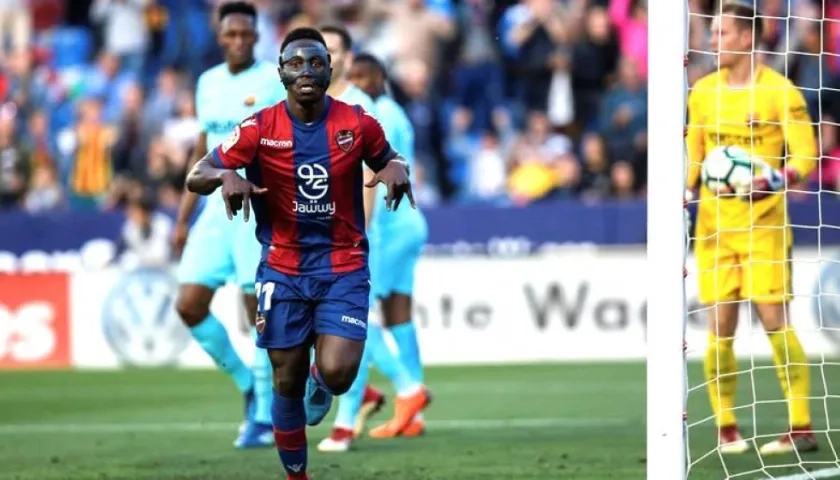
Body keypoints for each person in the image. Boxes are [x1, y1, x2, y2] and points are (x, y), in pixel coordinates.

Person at [185, 27, 425, 480]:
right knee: (285, 380)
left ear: (330, 69)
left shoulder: (357, 122)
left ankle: (324, 382)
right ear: (281, 74)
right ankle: (297, 475)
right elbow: (199, 171)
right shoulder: (259, 127)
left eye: (316, 62)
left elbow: (391, 158)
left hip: (343, 265)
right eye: (295, 64)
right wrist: (224, 178)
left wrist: (395, 170)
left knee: (336, 374)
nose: (307, 72)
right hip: (282, 266)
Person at [686, 1, 818, 456]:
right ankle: (726, 428)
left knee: (773, 319)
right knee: (719, 325)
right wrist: (681, 192)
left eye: (722, 33)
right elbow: (695, 155)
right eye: (713, 32)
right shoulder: (702, 92)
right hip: (715, 226)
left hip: (764, 225)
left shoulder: (781, 92)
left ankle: (800, 423)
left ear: (747, 38)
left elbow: (806, 155)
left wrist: (778, 179)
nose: (713, 40)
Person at [171, 1, 286, 449]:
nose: (238, 40)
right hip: (212, 210)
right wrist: (183, 217)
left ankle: (262, 417)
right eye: (230, 34)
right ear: (220, 38)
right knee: (189, 305)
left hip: (256, 206)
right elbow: (202, 149)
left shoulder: (272, 82)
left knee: (255, 310)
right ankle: (248, 385)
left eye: (246, 34)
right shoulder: (207, 83)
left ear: (257, 37)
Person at [318, 53, 431, 453]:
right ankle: (412, 415)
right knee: (398, 313)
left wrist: (358, 230)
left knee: (353, 319)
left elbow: (370, 175)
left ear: (382, 77)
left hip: (385, 226)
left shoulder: (372, 114)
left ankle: (398, 394)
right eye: (355, 77)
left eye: (367, 76)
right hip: (408, 221)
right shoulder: (394, 111)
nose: (360, 83)